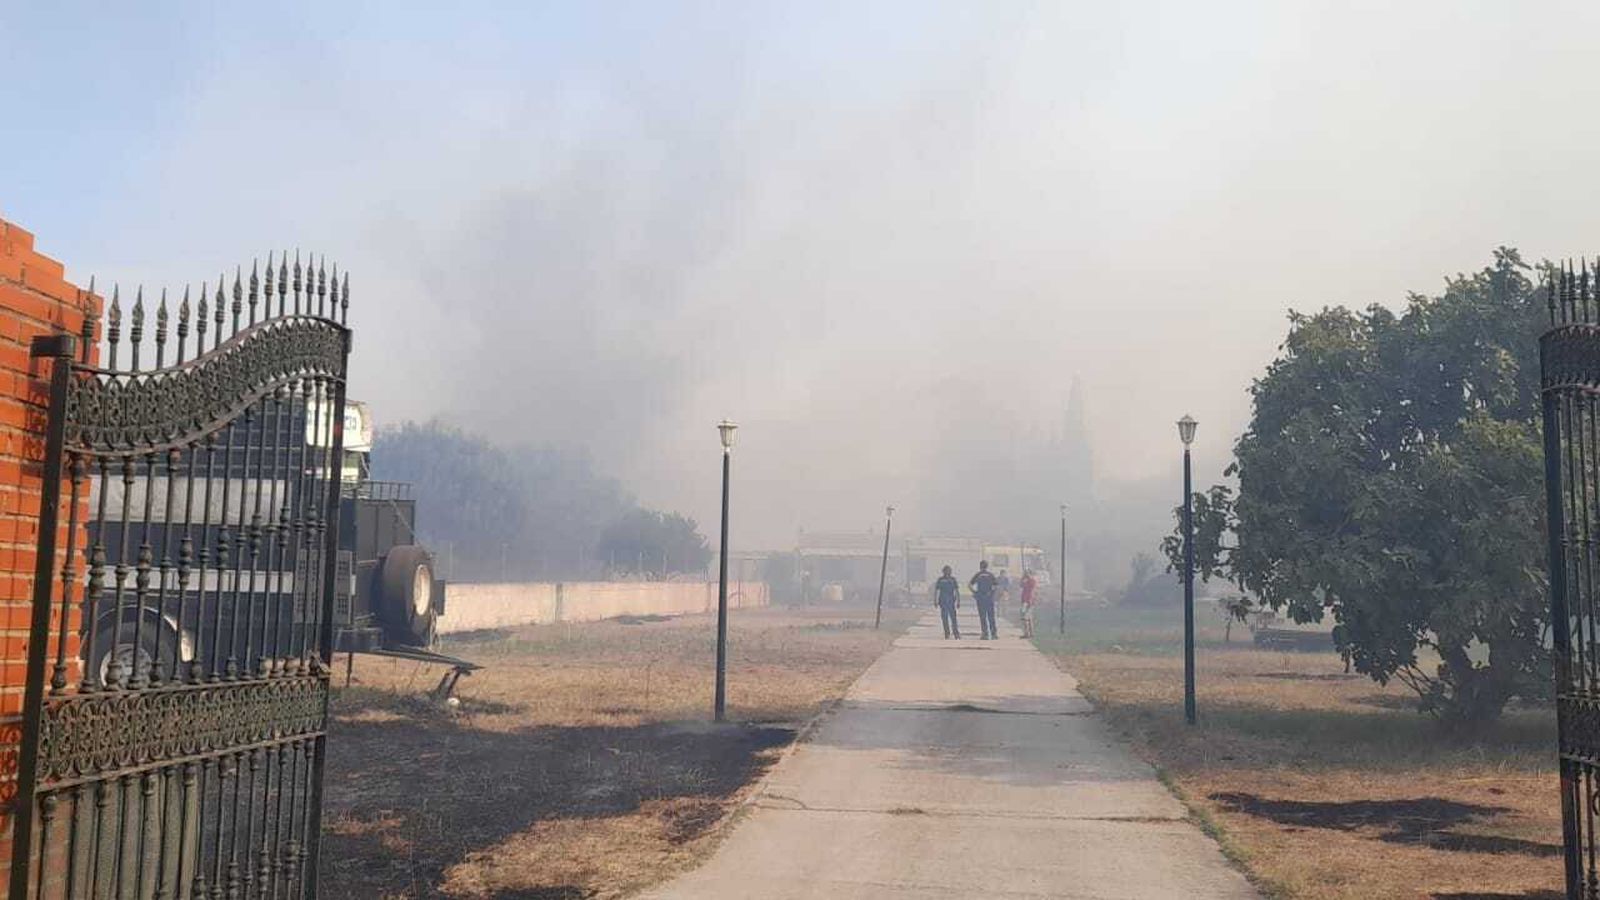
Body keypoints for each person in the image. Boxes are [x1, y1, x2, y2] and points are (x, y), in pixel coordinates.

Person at [969, 560, 999, 640]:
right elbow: (996, 586)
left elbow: (970, 585)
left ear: (980, 566)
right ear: (987, 566)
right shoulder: (990, 575)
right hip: (989, 598)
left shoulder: (978, 575)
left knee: (982, 616)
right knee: (991, 616)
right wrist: (992, 593)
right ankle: (994, 634)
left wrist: (975, 593)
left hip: (980, 598)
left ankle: (984, 634)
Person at [933, 565, 962, 639]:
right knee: (945, 618)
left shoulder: (952, 580)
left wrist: (958, 601)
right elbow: (936, 591)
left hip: (950, 601)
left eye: (949, 571)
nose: (948, 572)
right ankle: (947, 633)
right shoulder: (941, 580)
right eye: (947, 571)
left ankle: (955, 633)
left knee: (953, 618)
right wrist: (935, 601)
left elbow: (956, 591)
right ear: (944, 571)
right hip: (943, 602)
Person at [1019, 569, 1038, 638]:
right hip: (1025, 600)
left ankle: (1027, 633)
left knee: (1025, 617)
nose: (1026, 575)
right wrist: (1022, 578)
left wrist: (1029, 600)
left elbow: (1031, 591)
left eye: (1027, 573)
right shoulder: (1026, 580)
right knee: (1029, 617)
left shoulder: (1032, 581)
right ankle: (1031, 633)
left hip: (1028, 601)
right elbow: (1021, 585)